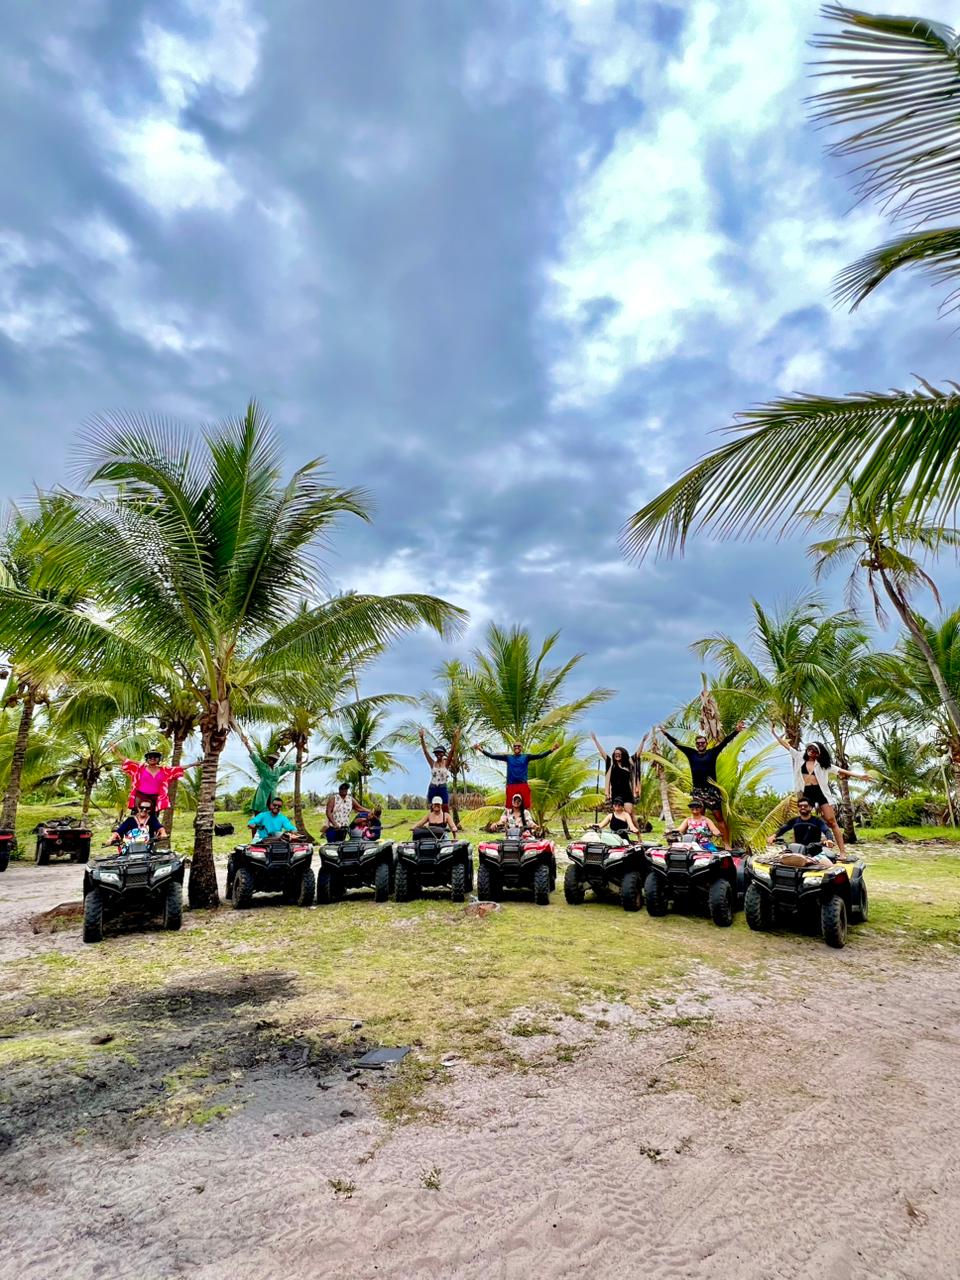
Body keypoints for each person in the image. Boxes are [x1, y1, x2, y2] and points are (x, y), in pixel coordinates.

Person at [770, 729, 871, 855]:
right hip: (807, 792)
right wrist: (774, 733)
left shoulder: (823, 764)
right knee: (801, 820)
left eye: (814, 751)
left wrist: (860, 776)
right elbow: (786, 745)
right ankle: (798, 850)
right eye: (809, 749)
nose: (810, 751)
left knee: (831, 821)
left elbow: (840, 770)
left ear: (818, 754)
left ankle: (842, 852)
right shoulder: (799, 756)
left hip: (820, 792)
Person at [657, 721, 746, 847]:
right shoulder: (691, 753)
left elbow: (725, 742)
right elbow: (678, 744)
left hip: (712, 791)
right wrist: (666, 734)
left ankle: (727, 844)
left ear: (706, 744)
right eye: (698, 743)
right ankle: (699, 843)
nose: (700, 745)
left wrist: (736, 731)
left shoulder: (712, 752)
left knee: (719, 817)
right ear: (696, 744)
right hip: (698, 791)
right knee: (699, 818)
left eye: (702, 743)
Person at [474, 739, 561, 810]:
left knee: (526, 805)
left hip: (522, 784)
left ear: (521, 748)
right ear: (513, 748)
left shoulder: (526, 757)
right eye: (515, 746)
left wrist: (552, 749)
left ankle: (525, 822)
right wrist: (480, 749)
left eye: (518, 746)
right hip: (511, 785)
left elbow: (540, 756)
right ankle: (508, 823)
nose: (516, 747)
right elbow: (492, 756)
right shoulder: (508, 757)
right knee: (509, 806)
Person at [112, 746, 201, 815]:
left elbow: (178, 768)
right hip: (140, 796)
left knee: (153, 817)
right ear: (147, 759)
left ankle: (152, 836)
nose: (152, 758)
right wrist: (116, 752)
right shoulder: (140, 767)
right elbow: (126, 760)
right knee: (137, 815)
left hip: (155, 797)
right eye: (150, 757)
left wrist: (193, 764)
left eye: (155, 757)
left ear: (159, 759)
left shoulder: (165, 770)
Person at [233, 724, 298, 815]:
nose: (271, 761)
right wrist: (247, 744)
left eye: (273, 760)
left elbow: (288, 767)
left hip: (272, 795)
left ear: (275, 761)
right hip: (262, 794)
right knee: (258, 815)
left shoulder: (278, 770)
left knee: (271, 815)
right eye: (270, 759)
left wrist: (299, 764)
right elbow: (255, 758)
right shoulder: (263, 767)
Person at [418, 728, 461, 813]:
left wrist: (455, 737)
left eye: (440, 753)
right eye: (436, 753)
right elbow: (425, 752)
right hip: (433, 787)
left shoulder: (446, 763)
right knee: (432, 807)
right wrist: (422, 738)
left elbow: (452, 751)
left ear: (444, 754)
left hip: (442, 787)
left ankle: (446, 824)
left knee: (445, 806)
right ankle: (433, 823)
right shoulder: (432, 763)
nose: (438, 754)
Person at [589, 735, 636, 812]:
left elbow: (637, 755)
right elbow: (602, 753)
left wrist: (643, 741)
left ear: (623, 755)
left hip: (627, 793)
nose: (617, 755)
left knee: (630, 813)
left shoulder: (628, 766)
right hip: (616, 793)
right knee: (619, 814)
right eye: (615, 754)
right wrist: (595, 740)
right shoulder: (611, 765)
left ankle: (634, 824)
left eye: (619, 753)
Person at [768, 796, 834, 850]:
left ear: (811, 807)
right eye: (800, 806)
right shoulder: (794, 820)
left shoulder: (817, 820)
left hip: (814, 851)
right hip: (797, 850)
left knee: (826, 864)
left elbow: (826, 830)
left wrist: (829, 840)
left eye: (805, 806)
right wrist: (774, 836)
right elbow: (783, 829)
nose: (802, 807)